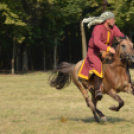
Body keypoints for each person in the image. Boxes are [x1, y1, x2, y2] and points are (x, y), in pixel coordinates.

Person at [78, 11, 125, 101]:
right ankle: (97, 90)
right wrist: (108, 48)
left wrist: (126, 41)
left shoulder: (114, 28)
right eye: (113, 19)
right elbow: (96, 42)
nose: (114, 20)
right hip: (94, 52)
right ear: (107, 20)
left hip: (106, 52)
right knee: (97, 65)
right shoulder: (97, 28)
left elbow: (120, 35)